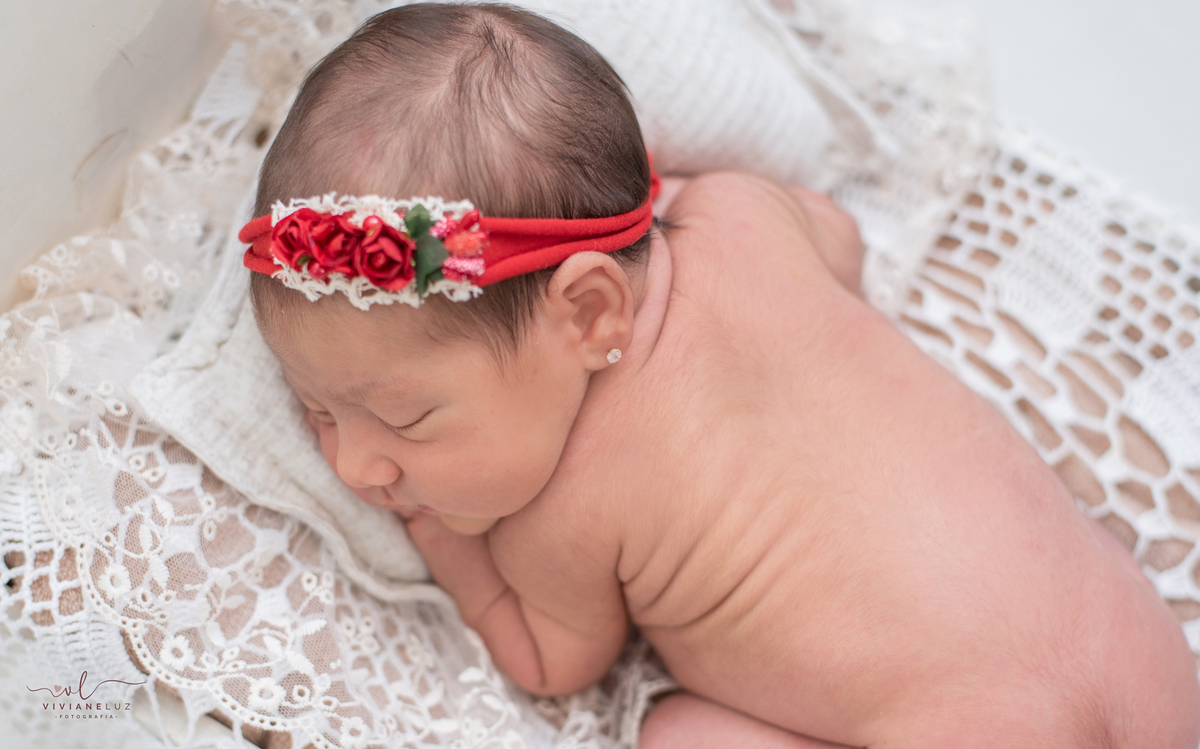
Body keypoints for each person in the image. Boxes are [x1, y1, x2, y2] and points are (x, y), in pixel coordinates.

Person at [240, 3, 1200, 746]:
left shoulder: (555, 517)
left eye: (405, 418)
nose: (355, 465)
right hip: (1141, 652)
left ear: (591, 313)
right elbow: (841, 239)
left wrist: (444, 539)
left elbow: (549, 661)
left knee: (672, 731)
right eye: (318, 409)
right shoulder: (744, 213)